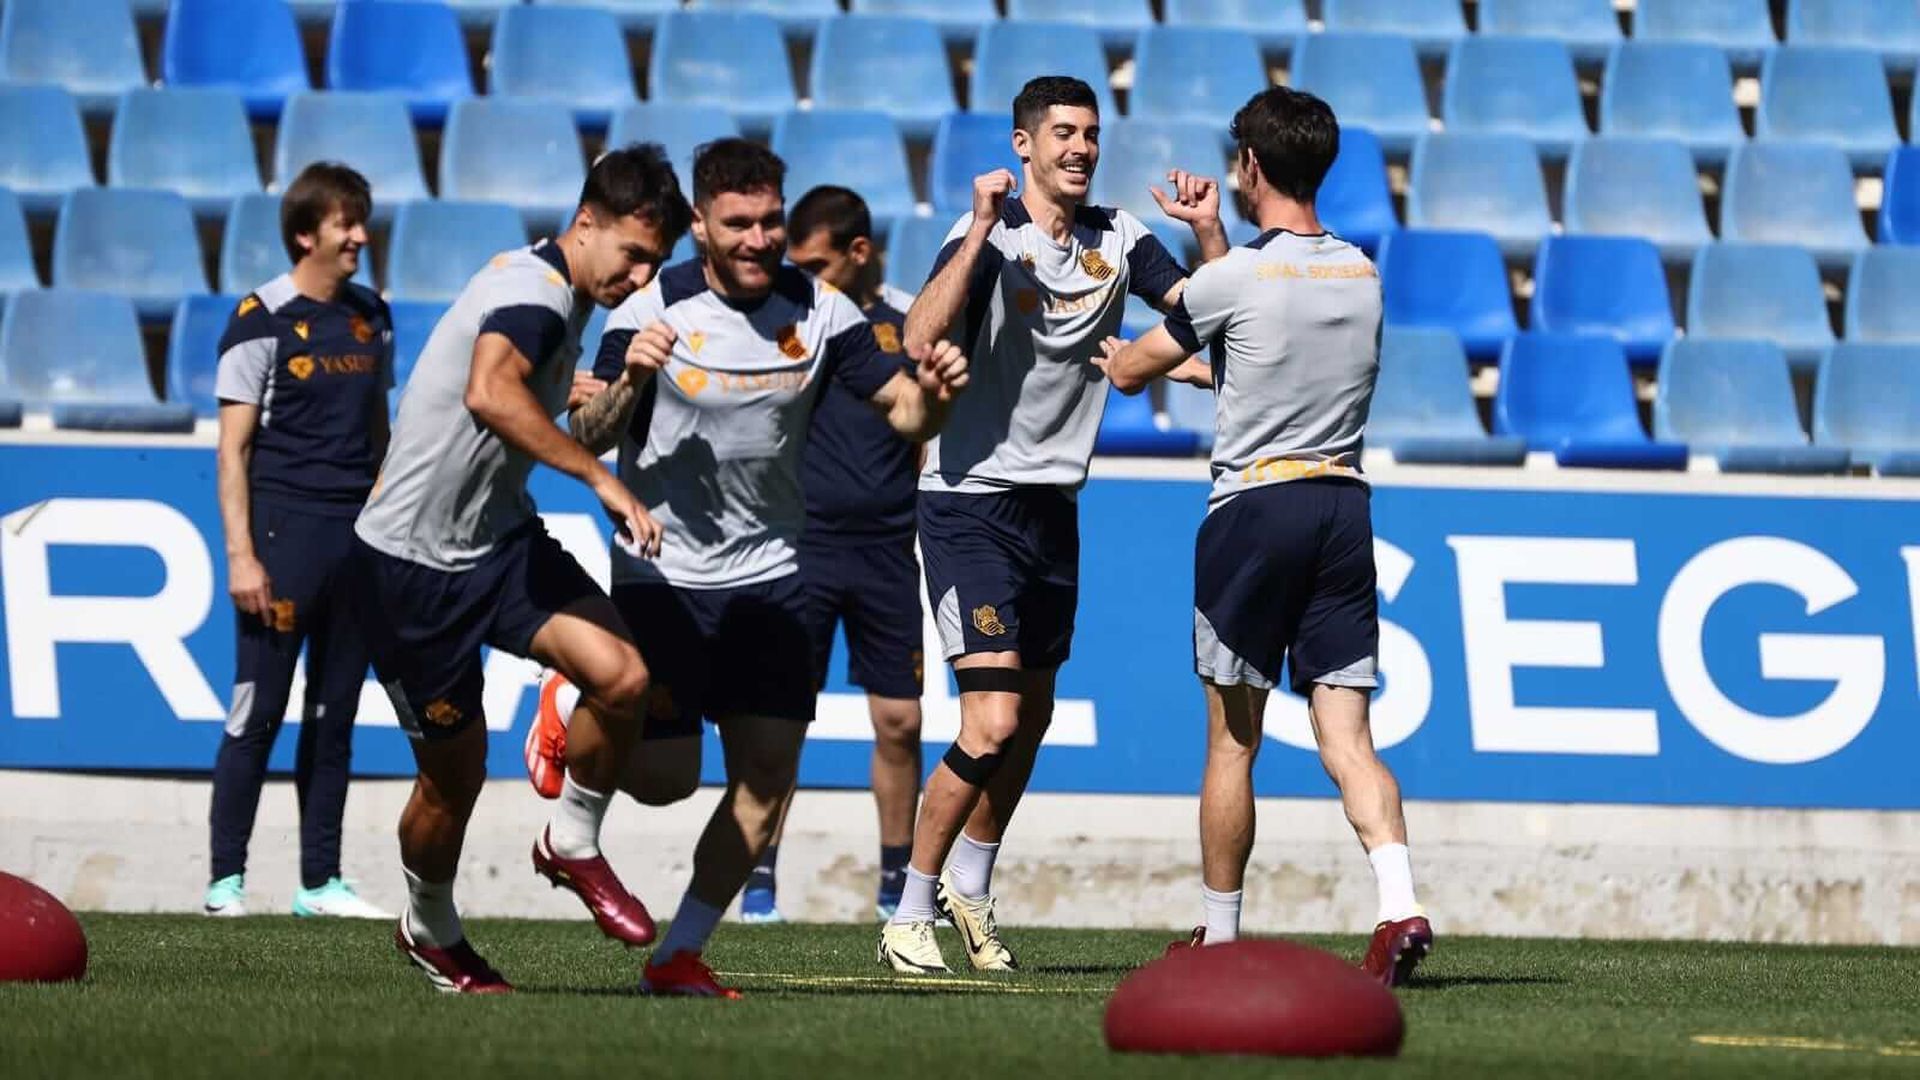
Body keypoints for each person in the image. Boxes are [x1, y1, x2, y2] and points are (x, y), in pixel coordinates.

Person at [536, 139, 969, 997]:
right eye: (738, 222)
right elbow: (584, 440)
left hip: (773, 575)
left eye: (770, 219)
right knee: (663, 783)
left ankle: (680, 952)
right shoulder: (651, 305)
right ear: (700, 224)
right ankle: (572, 708)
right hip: (664, 575)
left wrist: (941, 392)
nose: (758, 237)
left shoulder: (825, 312)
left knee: (766, 776)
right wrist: (629, 379)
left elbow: (906, 412)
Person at [880, 75, 1226, 975]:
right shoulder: (992, 240)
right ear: (1024, 144)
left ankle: (972, 890)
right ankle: (907, 911)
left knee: (1028, 719)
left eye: (1090, 134)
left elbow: (1209, 317)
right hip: (970, 502)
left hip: (1053, 509)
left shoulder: (1120, 238)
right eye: (1062, 133)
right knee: (988, 721)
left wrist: (1210, 234)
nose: (1080, 148)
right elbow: (918, 335)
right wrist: (981, 229)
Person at [1097, 86, 1432, 987]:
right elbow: (1258, 343)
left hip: (1253, 510)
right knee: (1347, 739)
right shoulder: (1360, 273)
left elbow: (1137, 370)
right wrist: (1213, 240)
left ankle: (1220, 936)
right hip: (1342, 507)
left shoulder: (1235, 280)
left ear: (1250, 165)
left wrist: (1106, 349)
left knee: (1231, 743)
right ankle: (1399, 904)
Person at [351, 144, 691, 994]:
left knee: (623, 677)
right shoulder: (535, 296)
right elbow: (489, 394)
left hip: (499, 544)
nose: (641, 275)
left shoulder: (557, 291)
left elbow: (522, 390)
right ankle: (428, 927)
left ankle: (570, 841)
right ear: (587, 224)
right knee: (452, 779)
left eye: (656, 261)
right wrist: (601, 478)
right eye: (633, 252)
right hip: (411, 569)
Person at [206, 162, 393, 921]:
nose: (359, 236)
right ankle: (226, 882)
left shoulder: (372, 315)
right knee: (258, 712)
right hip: (283, 540)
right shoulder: (259, 318)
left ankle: (320, 882)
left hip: (358, 545)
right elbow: (232, 451)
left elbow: (379, 432)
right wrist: (242, 555)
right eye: (345, 223)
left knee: (335, 715)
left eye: (362, 219)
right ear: (303, 234)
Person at [738, 184, 925, 924]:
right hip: (800, 546)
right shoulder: (787, 320)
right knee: (779, 721)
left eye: (818, 263)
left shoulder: (913, 321)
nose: (804, 276)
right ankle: (757, 877)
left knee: (901, 723)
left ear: (859, 253)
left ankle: (894, 883)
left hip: (886, 549)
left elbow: (928, 430)